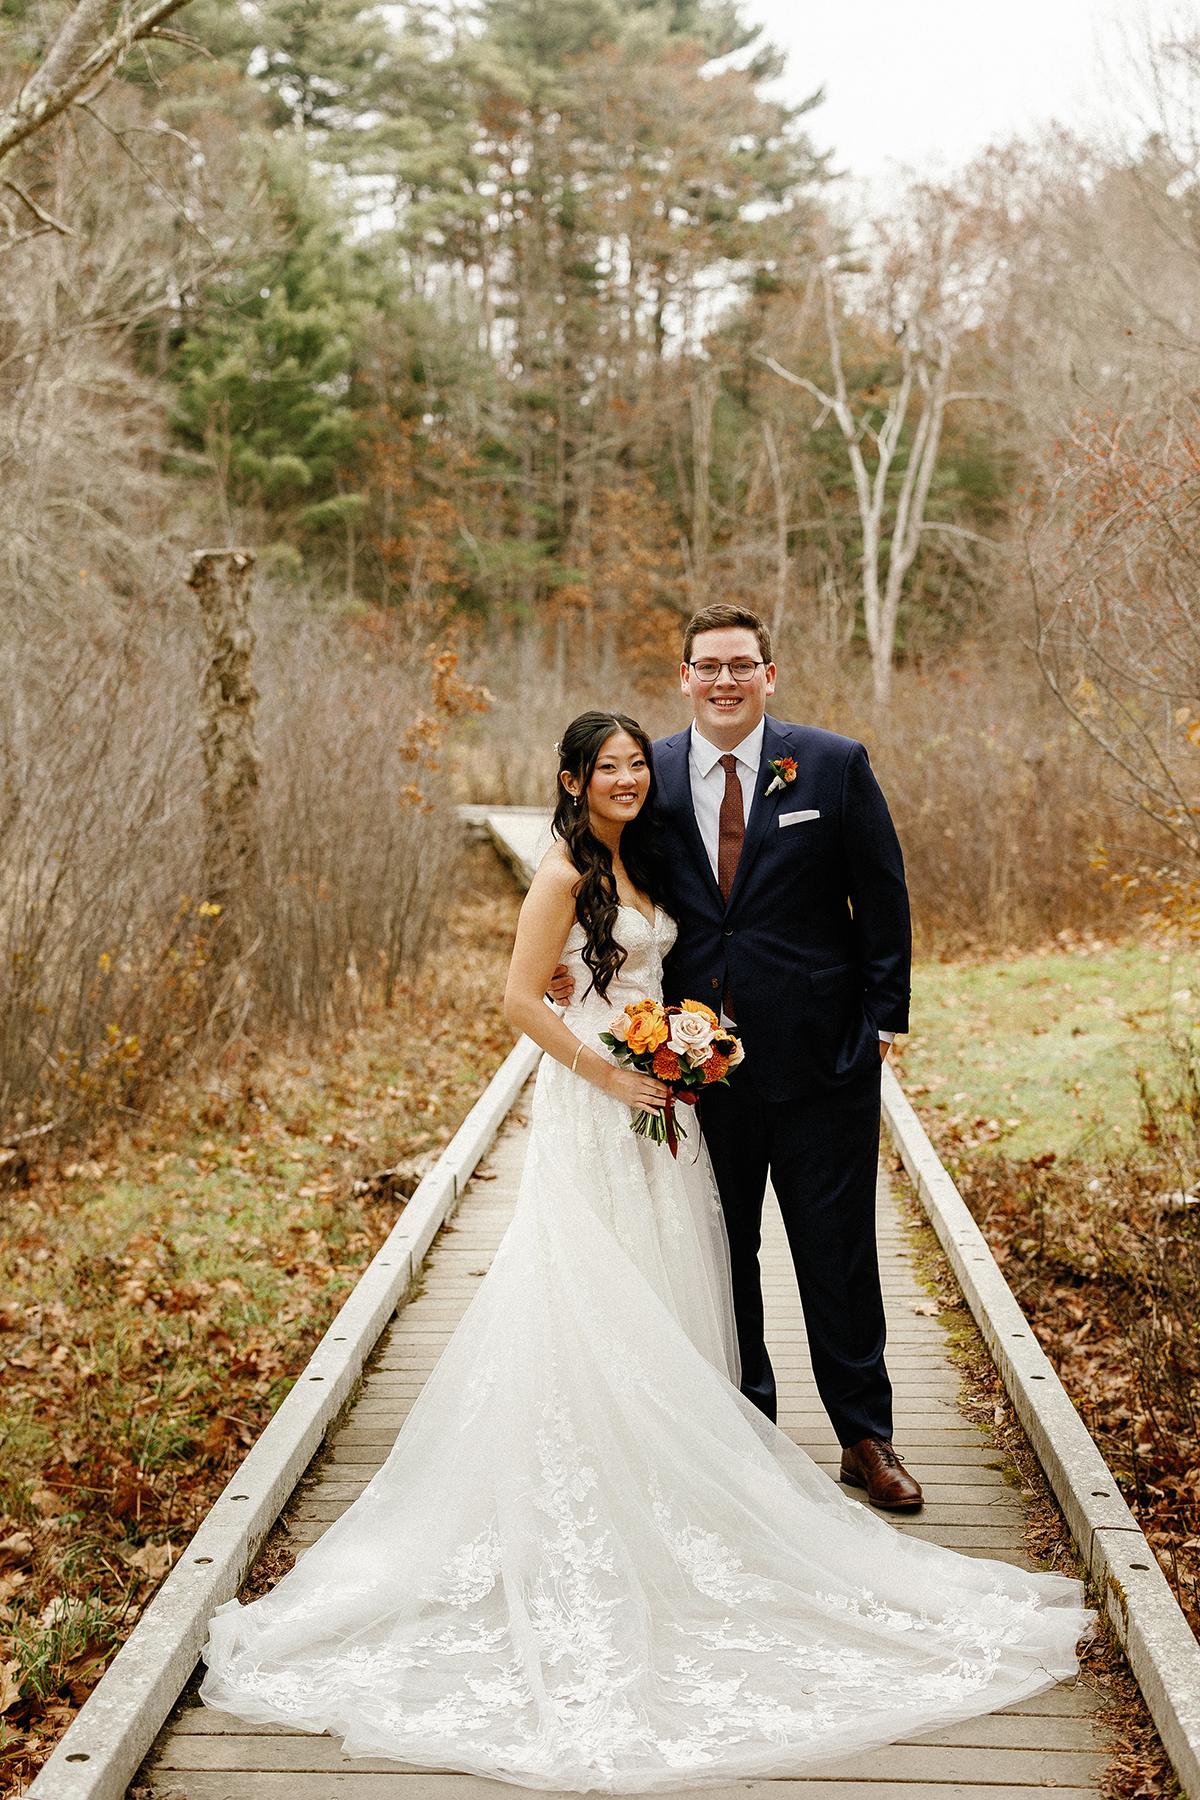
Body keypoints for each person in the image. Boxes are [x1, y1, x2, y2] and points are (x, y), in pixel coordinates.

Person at [199, 710, 1090, 1792]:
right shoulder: (567, 871)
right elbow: (519, 997)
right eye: (606, 768)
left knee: (684, 1285)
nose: (627, 779)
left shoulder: (652, 849)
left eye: (634, 765)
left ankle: (727, 1454)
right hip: (601, 1112)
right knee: (595, 1290)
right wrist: (611, 1070)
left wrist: (693, 1042)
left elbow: (753, 933)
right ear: (571, 780)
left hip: (673, 1107)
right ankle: (616, 1480)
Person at [552, 604, 920, 1511]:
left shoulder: (833, 763)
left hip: (823, 1056)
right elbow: (588, 865)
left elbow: (882, 892)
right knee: (727, 1251)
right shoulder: (650, 772)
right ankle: (748, 1425)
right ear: (683, 676)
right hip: (694, 1068)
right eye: (707, 666)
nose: (725, 680)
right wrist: (573, 968)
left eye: (741, 665)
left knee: (835, 1251)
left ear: (769, 673)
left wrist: (884, 1021)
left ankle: (864, 1437)